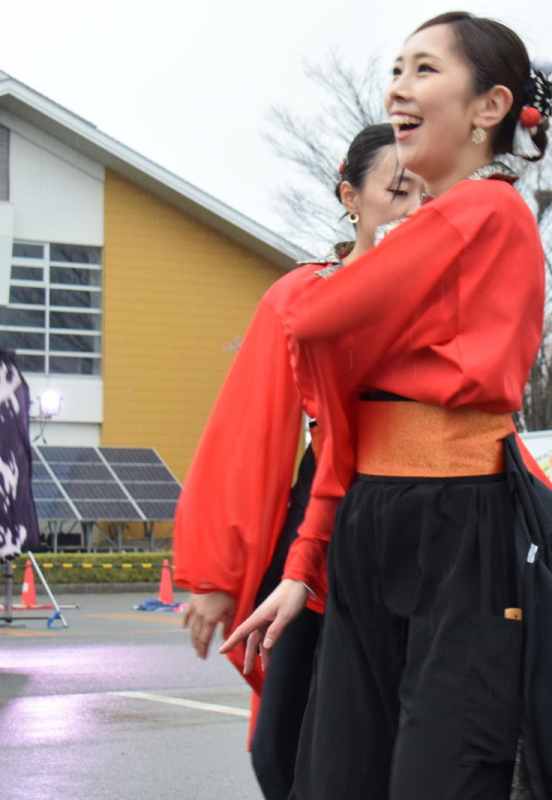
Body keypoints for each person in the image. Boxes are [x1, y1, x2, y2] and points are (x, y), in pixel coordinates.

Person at [222, 13, 552, 800]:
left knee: (444, 772)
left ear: (490, 106)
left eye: (425, 69)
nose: (398, 88)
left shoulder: (487, 211)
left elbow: (313, 316)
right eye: (396, 68)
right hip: (371, 517)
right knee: (335, 777)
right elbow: (343, 439)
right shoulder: (426, 234)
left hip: (456, 521)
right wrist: (302, 568)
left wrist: (333, 279)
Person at [172, 123, 422, 798]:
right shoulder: (301, 294)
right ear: (351, 198)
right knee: (284, 744)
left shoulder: (447, 297)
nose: (414, 209)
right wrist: (217, 572)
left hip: (429, 515)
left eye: (430, 196)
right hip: (322, 521)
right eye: (398, 191)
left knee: (411, 744)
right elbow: (248, 431)